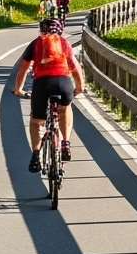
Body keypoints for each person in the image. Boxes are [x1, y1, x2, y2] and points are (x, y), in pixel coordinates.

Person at [12, 14, 84, 174]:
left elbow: (23, 68)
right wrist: (79, 88)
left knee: (36, 121)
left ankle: (36, 154)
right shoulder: (64, 43)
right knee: (65, 108)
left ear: (42, 30)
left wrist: (18, 89)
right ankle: (65, 142)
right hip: (63, 84)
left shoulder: (36, 43)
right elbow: (75, 67)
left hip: (41, 85)